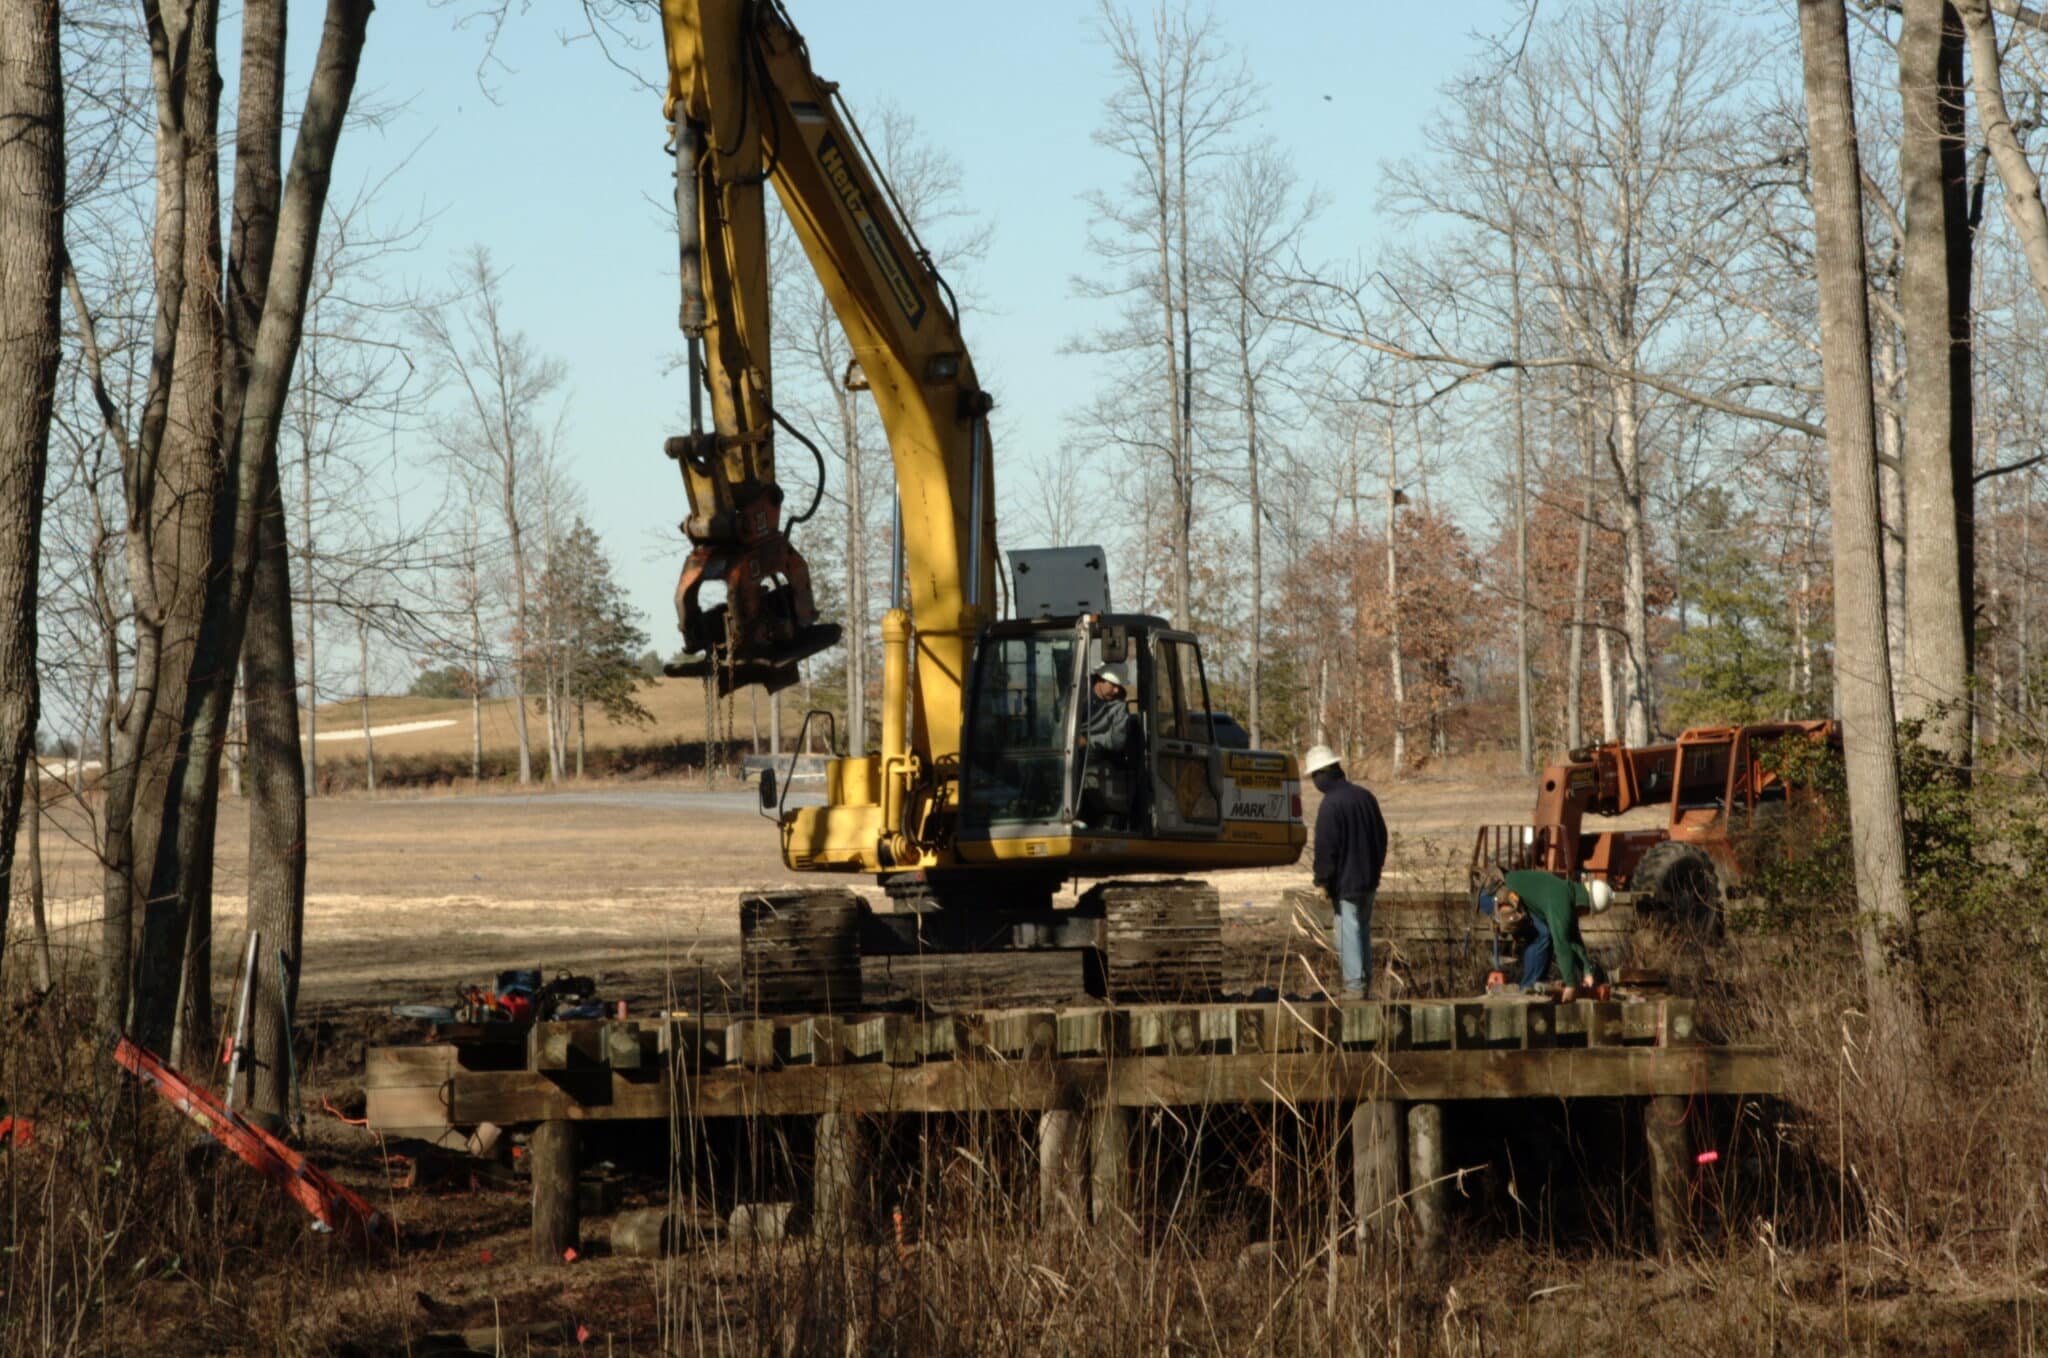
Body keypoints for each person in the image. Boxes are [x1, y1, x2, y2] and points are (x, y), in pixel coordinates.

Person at [1305, 744, 1389, 998]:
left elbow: (1326, 848)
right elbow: (1382, 837)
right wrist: (1376, 868)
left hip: (1347, 881)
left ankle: (1354, 986)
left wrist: (1322, 881)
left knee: (1347, 931)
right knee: (1362, 929)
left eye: (1313, 777)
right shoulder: (1365, 797)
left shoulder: (1331, 804)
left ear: (1321, 774)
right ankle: (1365, 983)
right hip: (1369, 879)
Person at [1492, 870, 1612, 1000]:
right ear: (1586, 905)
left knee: (1544, 933)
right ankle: (1527, 991)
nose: (1584, 915)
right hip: (1496, 893)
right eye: (1587, 912)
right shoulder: (1561, 902)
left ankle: (1537, 987)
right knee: (1542, 935)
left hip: (1504, 890)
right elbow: (1561, 943)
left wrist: (1587, 971)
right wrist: (1571, 984)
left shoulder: (1568, 894)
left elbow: (1573, 938)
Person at [1077, 664, 1138, 828]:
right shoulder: (1077, 695)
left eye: (1119, 687)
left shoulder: (1119, 708)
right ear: (1101, 681)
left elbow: (1117, 741)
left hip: (1099, 762)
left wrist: (1088, 741)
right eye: (1114, 685)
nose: (1117, 691)